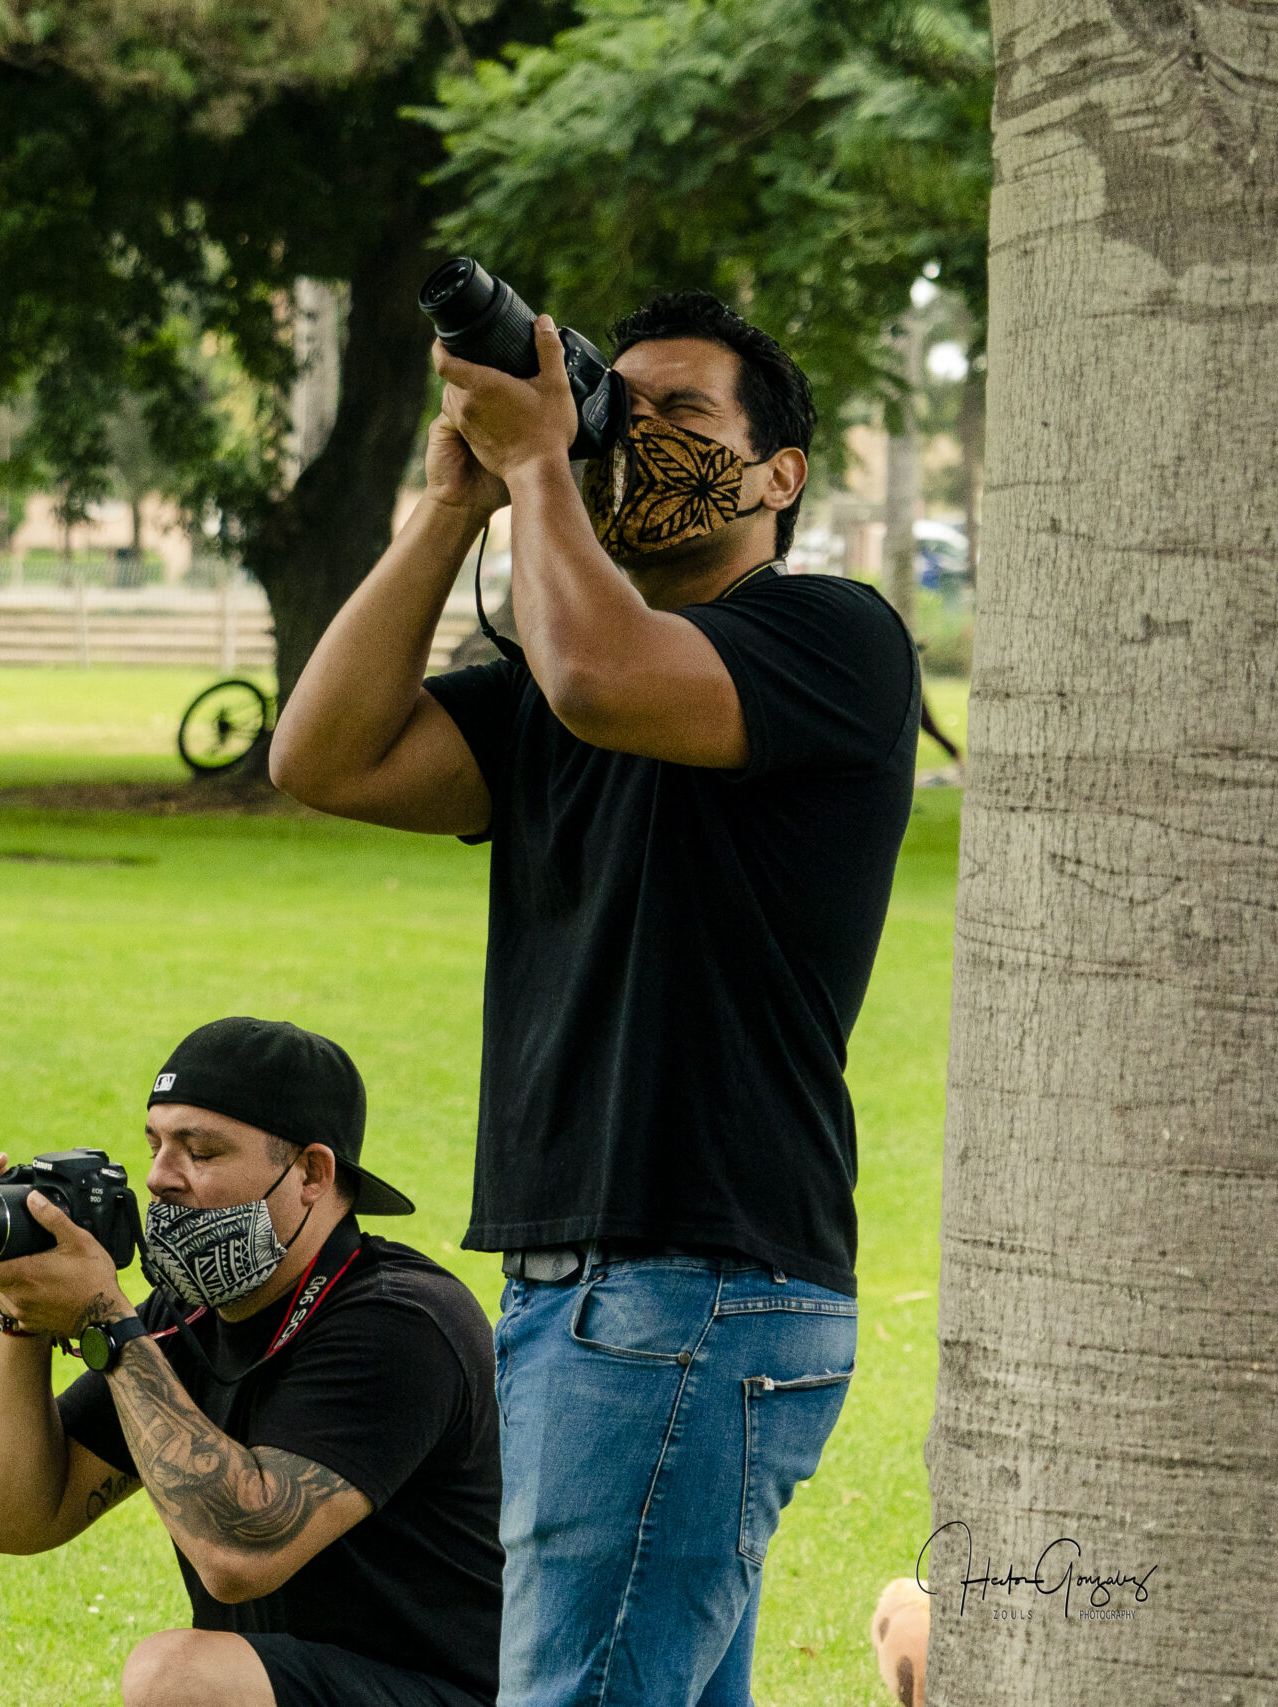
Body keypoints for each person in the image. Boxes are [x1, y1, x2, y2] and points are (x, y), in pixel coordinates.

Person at [271, 291, 918, 1706]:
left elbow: (604, 674)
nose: (637, 432)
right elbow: (321, 756)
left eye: (685, 411)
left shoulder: (828, 636)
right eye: (619, 406)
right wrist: (458, 503)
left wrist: (540, 464)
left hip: (690, 1284)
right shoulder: (552, 691)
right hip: (597, 1296)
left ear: (780, 475)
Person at [0, 1017, 503, 1707]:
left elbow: (240, 1553)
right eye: (155, 1144)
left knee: (178, 1676)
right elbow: (16, 1518)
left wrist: (104, 1320)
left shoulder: (401, 1321)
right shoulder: (185, 1316)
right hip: (300, 1686)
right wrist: (19, 1314)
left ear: (312, 1173)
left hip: (451, 1692)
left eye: (201, 1151)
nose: (158, 1178)